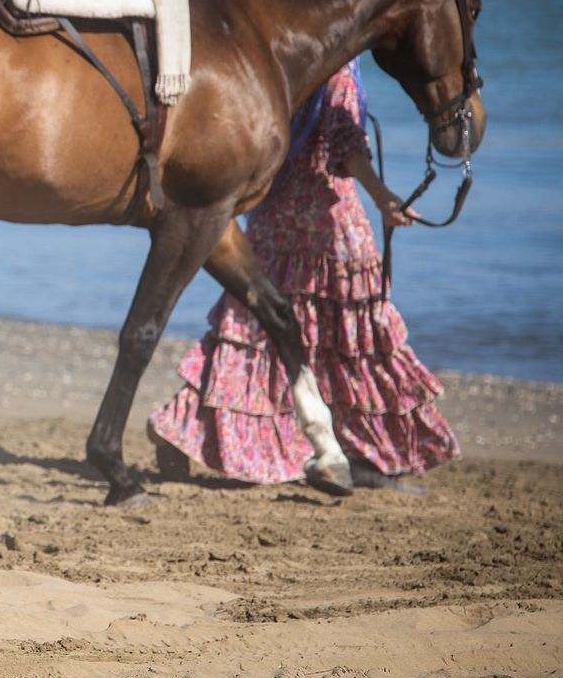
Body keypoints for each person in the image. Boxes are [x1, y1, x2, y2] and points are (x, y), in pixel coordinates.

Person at [148, 55, 460, 491]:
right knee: (354, 335)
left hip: (274, 211)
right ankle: (366, 450)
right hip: (327, 218)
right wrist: (383, 197)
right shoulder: (340, 68)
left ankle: (181, 426)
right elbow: (345, 142)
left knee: (254, 331)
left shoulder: (289, 55)